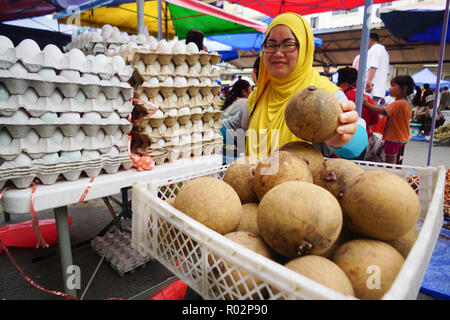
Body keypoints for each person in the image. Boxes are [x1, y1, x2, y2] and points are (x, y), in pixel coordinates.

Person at [222, 12, 364, 161]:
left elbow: (358, 145)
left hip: (300, 183)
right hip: (255, 180)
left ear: (304, 48)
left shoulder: (324, 95)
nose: (277, 53)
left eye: (288, 44)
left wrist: (345, 138)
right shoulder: (258, 95)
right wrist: (200, 126)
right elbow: (233, 128)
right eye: (270, 45)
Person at [363, 75, 415, 164]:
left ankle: (391, 171)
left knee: (390, 158)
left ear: (404, 88)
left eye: (393, 86)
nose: (390, 88)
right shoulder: (408, 104)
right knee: (396, 156)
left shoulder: (398, 103)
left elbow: (382, 111)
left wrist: (367, 104)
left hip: (394, 137)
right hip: (403, 136)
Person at [337, 67, 379, 142]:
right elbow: (375, 120)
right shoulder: (365, 98)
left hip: (336, 141)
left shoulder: (332, 96)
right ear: (356, 82)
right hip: (361, 141)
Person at [365, 32, 390, 105]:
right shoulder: (384, 52)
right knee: (372, 109)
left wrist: (368, 82)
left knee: (366, 111)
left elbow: (373, 66)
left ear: (369, 40)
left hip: (371, 88)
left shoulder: (374, 49)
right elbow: (387, 73)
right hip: (379, 90)